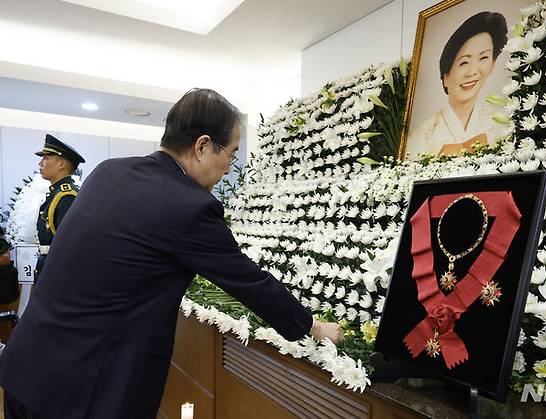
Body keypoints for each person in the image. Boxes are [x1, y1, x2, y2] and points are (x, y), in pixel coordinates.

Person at [0, 88, 343, 419]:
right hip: (85, 390)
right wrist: (312, 326)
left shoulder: (109, 171)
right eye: (231, 153)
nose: (228, 168)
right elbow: (247, 279)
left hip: (27, 366)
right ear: (203, 146)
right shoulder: (190, 205)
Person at [406, 11, 508, 159]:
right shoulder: (421, 136)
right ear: (445, 76)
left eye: (483, 57)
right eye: (464, 62)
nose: (473, 72)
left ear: (492, 64)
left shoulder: (501, 125)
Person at [33, 134, 86, 284]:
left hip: (57, 273)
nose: (40, 163)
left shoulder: (66, 196)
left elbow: (70, 245)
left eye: (46, 158)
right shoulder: (57, 193)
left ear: (61, 164)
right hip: (49, 268)